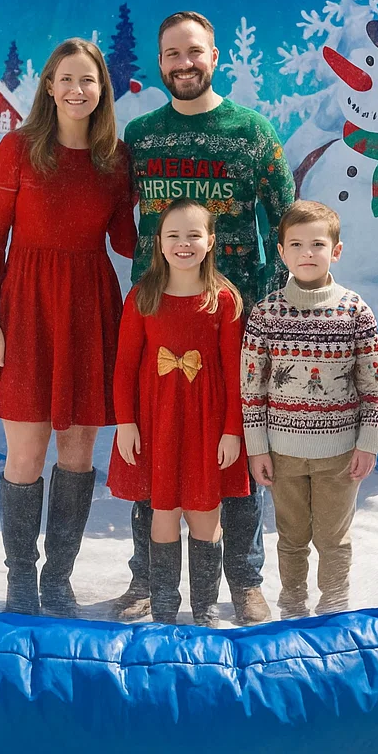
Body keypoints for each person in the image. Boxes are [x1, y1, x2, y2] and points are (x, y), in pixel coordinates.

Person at [113, 10, 295, 625]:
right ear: (159, 63)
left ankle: (243, 581)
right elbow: (113, 217)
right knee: (155, 448)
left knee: (235, 450)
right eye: (170, 54)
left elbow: (289, 216)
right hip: (159, 321)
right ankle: (146, 580)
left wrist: (277, 298)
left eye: (194, 52)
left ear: (215, 57)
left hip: (234, 323)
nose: (183, 64)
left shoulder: (251, 132)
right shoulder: (139, 139)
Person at [0, 38, 137, 617]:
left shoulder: (115, 159)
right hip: (26, 305)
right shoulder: (17, 150)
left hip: (91, 307)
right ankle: (20, 580)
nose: (77, 90)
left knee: (78, 450)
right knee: (25, 454)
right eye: (66, 79)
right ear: (48, 85)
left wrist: (183, 227)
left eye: (88, 81)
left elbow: (123, 239)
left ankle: (57, 578)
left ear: (102, 90)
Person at [107, 198, 248, 627]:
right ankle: (164, 606)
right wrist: (126, 423)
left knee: (206, 513)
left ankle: (204, 608)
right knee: (162, 511)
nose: (183, 243)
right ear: (160, 243)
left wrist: (232, 432)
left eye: (193, 235)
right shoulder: (143, 296)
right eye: (173, 235)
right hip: (157, 421)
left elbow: (233, 373)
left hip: (207, 423)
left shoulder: (223, 300)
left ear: (210, 242)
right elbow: (125, 367)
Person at [242, 200, 378, 617]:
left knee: (333, 538)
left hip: (339, 454)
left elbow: (373, 383)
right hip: (282, 453)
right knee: (290, 536)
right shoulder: (266, 313)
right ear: (282, 252)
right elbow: (251, 386)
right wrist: (257, 447)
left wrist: (368, 442)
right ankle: (292, 604)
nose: (308, 253)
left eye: (318, 244)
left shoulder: (355, 311)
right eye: (297, 244)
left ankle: (335, 605)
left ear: (335, 251)